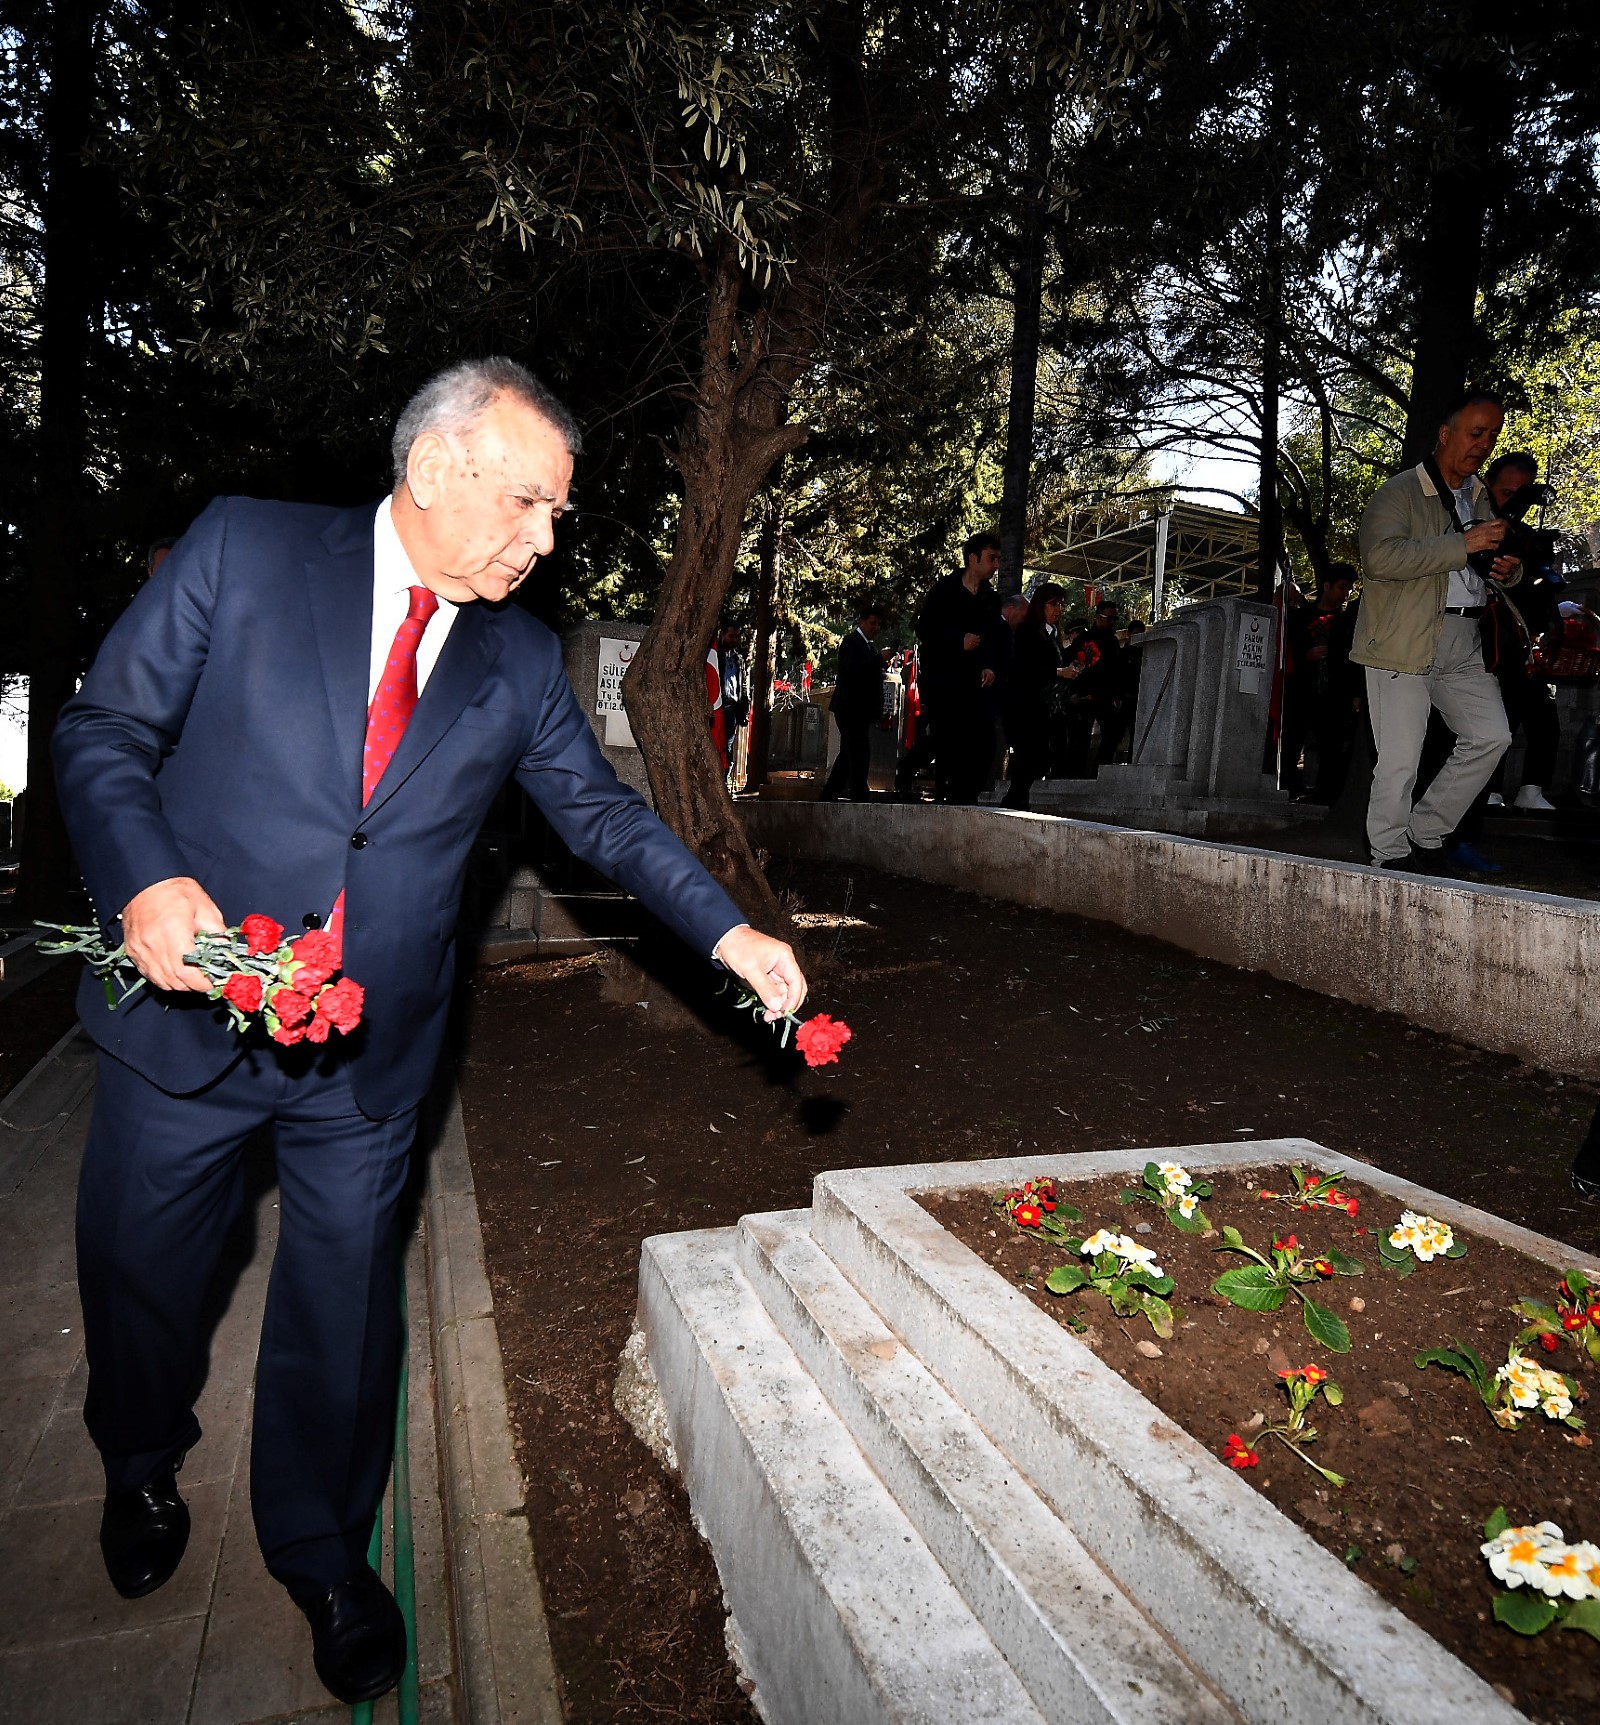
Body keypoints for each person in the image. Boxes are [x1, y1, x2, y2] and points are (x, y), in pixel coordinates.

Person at [51, 357, 805, 1707]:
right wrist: (150, 876)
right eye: (530, 503)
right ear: (435, 470)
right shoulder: (245, 548)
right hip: (188, 1011)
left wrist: (729, 932)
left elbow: (605, 819)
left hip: (370, 1052)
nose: (546, 538)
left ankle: (322, 1544)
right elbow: (105, 731)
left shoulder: (517, 655)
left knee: (343, 1311)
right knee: (143, 1269)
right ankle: (137, 1456)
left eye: (558, 515)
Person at [1352, 389, 1519, 872]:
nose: (1485, 444)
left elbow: (1484, 564)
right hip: (1402, 639)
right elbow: (1379, 560)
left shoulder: (1480, 496)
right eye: (1475, 433)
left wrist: (1508, 571)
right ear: (1446, 434)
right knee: (1400, 761)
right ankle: (1389, 856)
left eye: (1493, 435)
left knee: (1492, 736)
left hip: (1463, 641)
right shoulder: (1399, 491)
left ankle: (1425, 832)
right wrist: (1462, 543)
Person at [910, 532, 1006, 804]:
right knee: (948, 740)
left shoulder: (990, 598)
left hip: (975, 685)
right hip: (944, 682)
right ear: (973, 559)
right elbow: (924, 629)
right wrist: (957, 640)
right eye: (991, 558)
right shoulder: (945, 590)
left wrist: (990, 666)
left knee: (983, 740)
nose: (996, 564)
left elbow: (995, 638)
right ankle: (946, 795)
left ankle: (967, 796)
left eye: (998, 559)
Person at [1281, 568, 1355, 796]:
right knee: (1292, 743)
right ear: (1327, 586)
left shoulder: (1347, 621)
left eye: (1349, 589)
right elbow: (1287, 653)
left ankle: (1327, 795)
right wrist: (1306, 656)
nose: (1346, 594)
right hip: (1301, 693)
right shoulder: (1299, 618)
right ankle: (1288, 788)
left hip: (1334, 696)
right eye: (1342, 587)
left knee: (1331, 747)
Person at [821, 603, 886, 802]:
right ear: (862, 622)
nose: (875, 628)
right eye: (872, 623)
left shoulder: (866, 645)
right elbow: (854, 672)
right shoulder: (852, 642)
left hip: (860, 710)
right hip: (850, 709)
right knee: (858, 753)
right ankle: (859, 795)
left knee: (849, 753)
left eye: (878, 624)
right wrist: (878, 660)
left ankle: (831, 793)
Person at [717, 622, 750, 784]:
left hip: (733, 709)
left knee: (728, 749)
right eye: (731, 636)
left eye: (736, 637)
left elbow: (743, 685)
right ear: (722, 634)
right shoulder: (714, 655)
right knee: (715, 746)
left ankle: (723, 782)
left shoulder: (739, 659)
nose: (734, 640)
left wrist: (744, 708)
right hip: (718, 707)